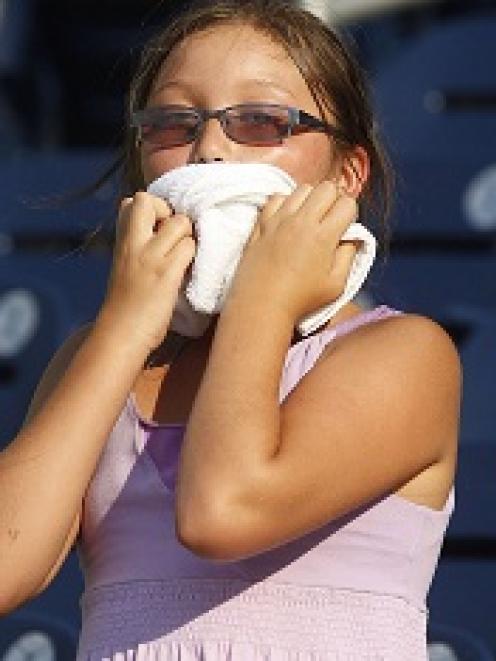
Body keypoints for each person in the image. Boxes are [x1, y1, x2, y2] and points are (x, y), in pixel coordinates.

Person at [0, 1, 461, 658]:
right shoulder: (99, 357)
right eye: (173, 122)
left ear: (347, 173)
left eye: (262, 121)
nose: (210, 148)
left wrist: (264, 295)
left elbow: (223, 511)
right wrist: (122, 331)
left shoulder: (403, 352)